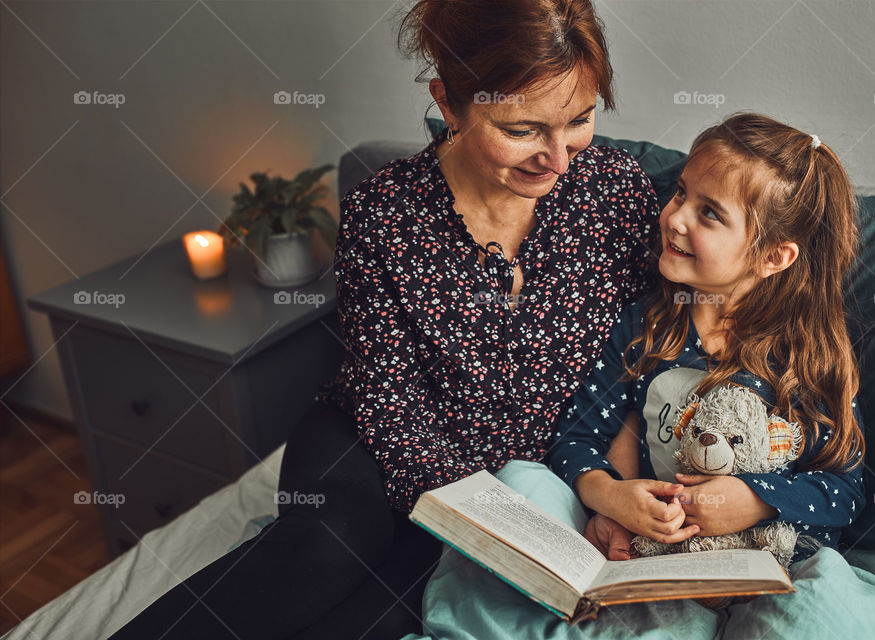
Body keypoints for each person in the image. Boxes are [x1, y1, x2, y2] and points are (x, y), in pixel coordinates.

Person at [108, 1, 662, 638]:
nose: (559, 159)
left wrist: (606, 485)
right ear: (449, 104)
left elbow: (643, 361)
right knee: (322, 554)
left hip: (531, 476)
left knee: (379, 616)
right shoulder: (385, 208)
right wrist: (479, 516)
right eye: (522, 130)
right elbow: (386, 393)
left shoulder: (619, 194)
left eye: (581, 120)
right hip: (377, 443)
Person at [547, 112, 867, 567]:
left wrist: (754, 499)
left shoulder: (807, 356)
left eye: (709, 213)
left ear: (774, 256)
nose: (674, 218)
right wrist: (612, 496)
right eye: (680, 192)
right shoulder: (644, 327)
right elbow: (575, 440)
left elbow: (843, 490)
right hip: (660, 561)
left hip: (771, 569)